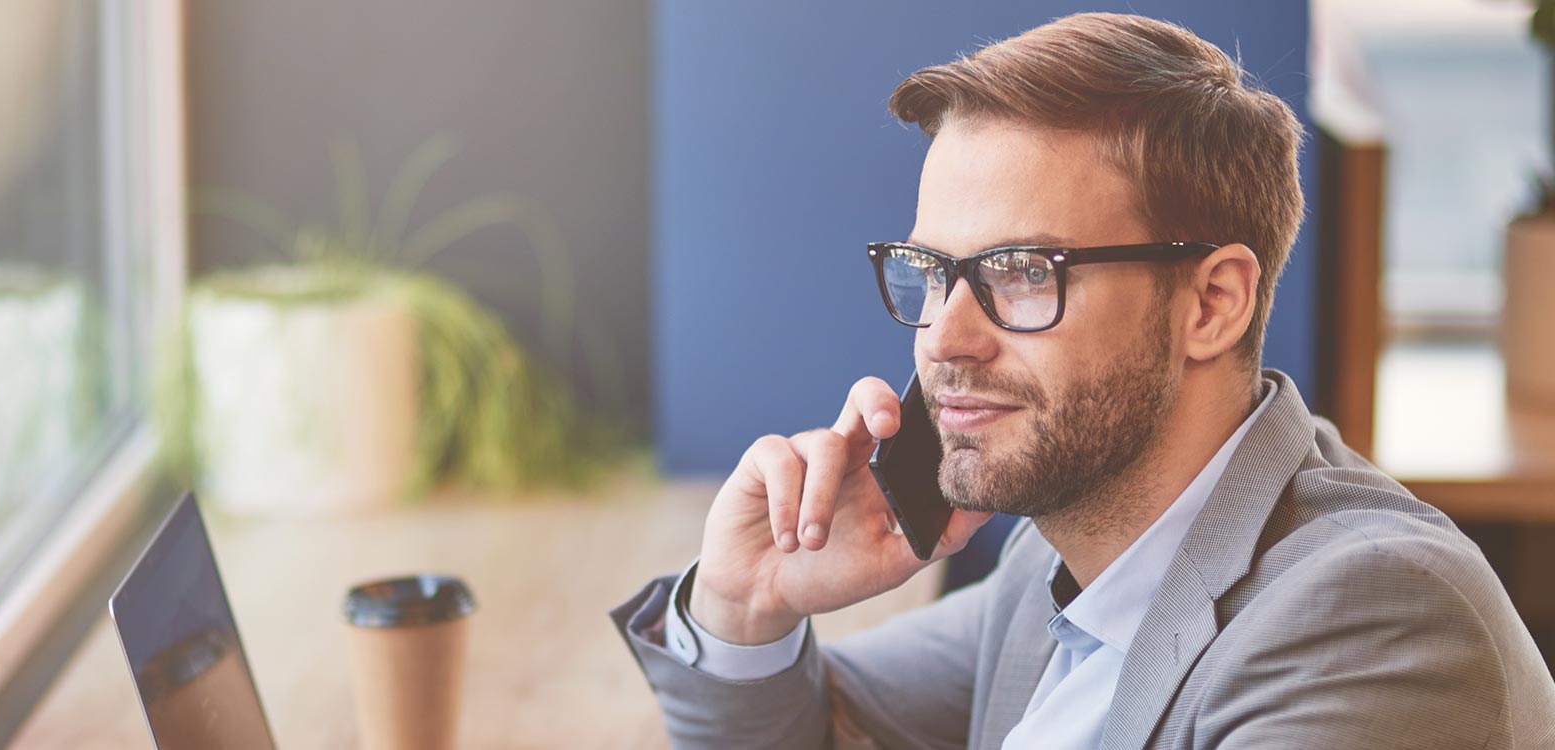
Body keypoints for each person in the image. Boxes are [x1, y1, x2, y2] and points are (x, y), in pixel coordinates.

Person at [609, 12, 1555, 750]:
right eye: (934, 271)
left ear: (1213, 303)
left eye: (1024, 271)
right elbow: (815, 725)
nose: (944, 338)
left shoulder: (1372, 615)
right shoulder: (1066, 552)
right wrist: (743, 610)